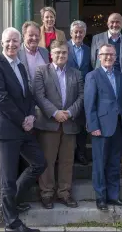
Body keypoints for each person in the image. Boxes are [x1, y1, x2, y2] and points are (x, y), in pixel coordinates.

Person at [0, 27, 45, 232]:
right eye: (8, 41)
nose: (12, 45)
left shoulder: (19, 66)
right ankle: (12, 223)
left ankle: (12, 201)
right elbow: (1, 99)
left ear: (20, 44)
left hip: (23, 127)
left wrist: (30, 115)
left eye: (15, 42)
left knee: (39, 163)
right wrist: (23, 120)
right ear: (2, 42)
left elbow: (27, 95)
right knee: (8, 178)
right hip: (6, 129)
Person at [33, 40, 84, 209]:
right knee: (47, 160)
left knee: (67, 161)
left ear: (68, 55)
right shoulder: (41, 71)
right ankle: (47, 193)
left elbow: (82, 97)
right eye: (57, 52)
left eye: (64, 53)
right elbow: (39, 96)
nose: (61, 55)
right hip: (49, 123)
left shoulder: (76, 74)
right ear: (51, 54)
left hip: (69, 123)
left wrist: (69, 113)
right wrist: (55, 113)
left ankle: (64, 193)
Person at [84, 44, 122, 211]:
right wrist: (93, 125)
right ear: (99, 57)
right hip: (101, 127)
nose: (108, 57)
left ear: (116, 57)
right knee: (100, 162)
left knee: (114, 162)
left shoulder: (121, 77)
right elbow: (89, 104)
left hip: (119, 126)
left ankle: (114, 196)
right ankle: (101, 198)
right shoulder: (92, 76)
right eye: (105, 54)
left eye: (111, 54)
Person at [90, 13, 122, 165]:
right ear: (107, 23)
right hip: (102, 85)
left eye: (118, 22)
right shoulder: (97, 39)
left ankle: (121, 153)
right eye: (112, 22)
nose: (115, 25)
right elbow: (93, 61)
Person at [67, 20, 92, 166]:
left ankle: (80, 152)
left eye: (81, 32)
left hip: (84, 91)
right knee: (69, 123)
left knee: (82, 124)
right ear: (71, 33)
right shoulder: (65, 48)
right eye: (75, 32)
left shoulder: (89, 50)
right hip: (68, 90)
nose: (78, 34)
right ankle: (68, 154)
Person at [18, 21, 49, 88]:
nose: (34, 38)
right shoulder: (17, 54)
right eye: (31, 35)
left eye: (37, 35)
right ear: (23, 36)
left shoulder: (45, 52)